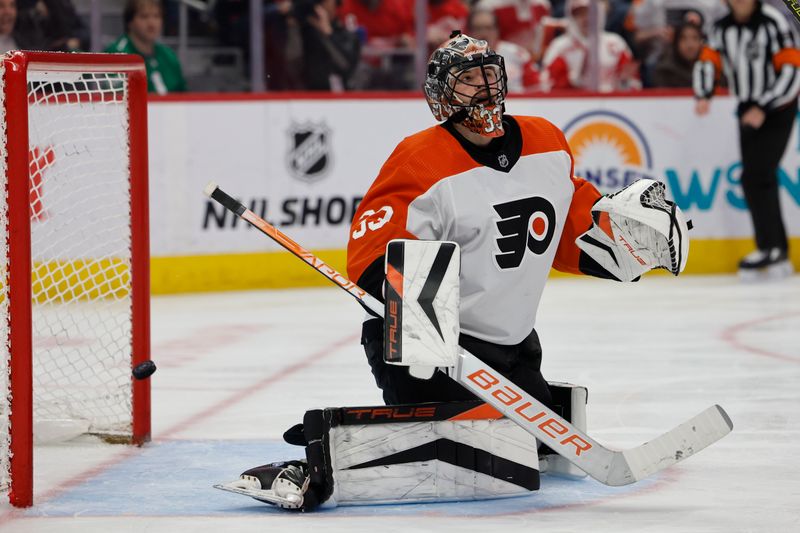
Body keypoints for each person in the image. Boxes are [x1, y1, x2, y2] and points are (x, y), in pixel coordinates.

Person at [218, 31, 689, 511]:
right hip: (427, 352)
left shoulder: (547, 142)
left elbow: (571, 228)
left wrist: (629, 240)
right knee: (484, 465)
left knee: (526, 454)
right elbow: (370, 253)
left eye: (489, 73)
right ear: (443, 95)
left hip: (513, 350)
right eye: (468, 79)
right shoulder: (419, 160)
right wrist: (418, 324)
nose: (484, 87)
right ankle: (318, 460)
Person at [694, 0, 799, 279]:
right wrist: (704, 93)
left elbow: (792, 70)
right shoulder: (721, 28)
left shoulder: (773, 22)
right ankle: (773, 248)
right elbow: (708, 60)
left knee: (758, 174)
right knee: (755, 178)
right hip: (747, 109)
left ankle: (772, 248)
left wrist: (764, 107)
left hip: (779, 108)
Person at [540, 0, 640, 92]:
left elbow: (635, 84)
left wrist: (624, 82)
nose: (586, 18)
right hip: (573, 105)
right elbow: (548, 87)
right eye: (579, 14)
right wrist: (575, 80)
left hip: (612, 104)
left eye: (590, 13)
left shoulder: (615, 44)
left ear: (599, 15)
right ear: (572, 17)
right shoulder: (560, 47)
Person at [105, 0, 187, 94]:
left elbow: (184, 95)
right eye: (144, 16)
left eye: (156, 16)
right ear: (130, 22)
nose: (151, 24)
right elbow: (113, 96)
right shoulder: (116, 54)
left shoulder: (169, 56)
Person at [468, 7, 542, 92]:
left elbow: (536, 88)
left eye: (488, 28)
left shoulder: (517, 54)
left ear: (497, 30)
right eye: (478, 28)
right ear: (469, 32)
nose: (483, 33)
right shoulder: (459, 58)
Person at [293, 0, 361, 91]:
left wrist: (328, 34)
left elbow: (346, 65)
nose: (320, 7)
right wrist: (293, 27)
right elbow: (292, 64)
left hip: (337, 97)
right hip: (305, 96)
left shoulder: (345, 34)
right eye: (318, 3)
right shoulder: (304, 31)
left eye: (324, 1)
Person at [652, 19, 702, 88]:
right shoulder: (665, 71)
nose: (690, 45)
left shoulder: (710, 69)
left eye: (695, 38)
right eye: (683, 39)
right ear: (676, 42)